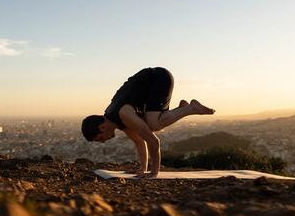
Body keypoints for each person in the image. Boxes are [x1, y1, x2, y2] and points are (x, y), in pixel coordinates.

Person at [81, 66, 215, 177]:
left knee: (153, 124)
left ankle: (191, 108)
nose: (104, 141)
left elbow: (153, 141)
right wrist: (142, 169)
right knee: (151, 123)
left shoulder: (123, 114)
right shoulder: (116, 119)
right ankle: (183, 108)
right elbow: (139, 142)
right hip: (151, 85)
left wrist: (154, 172)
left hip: (158, 78)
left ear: (102, 127)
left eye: (100, 138)